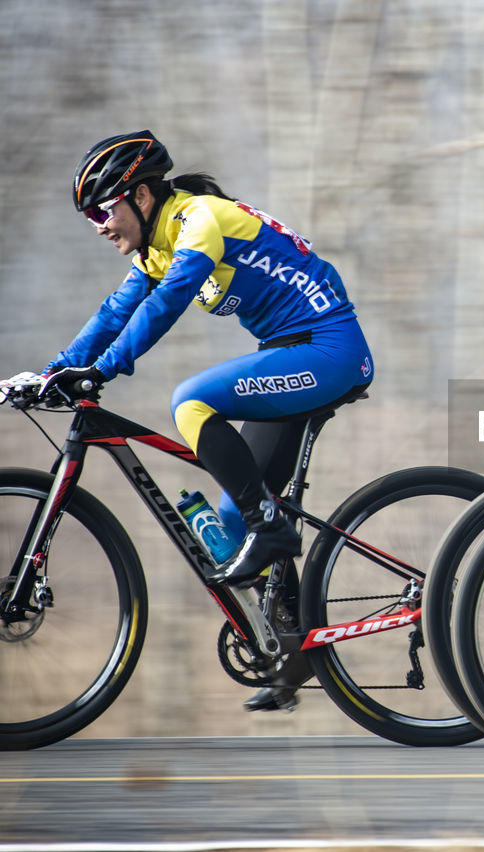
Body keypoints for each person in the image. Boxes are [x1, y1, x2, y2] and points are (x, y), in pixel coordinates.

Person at [45, 130, 375, 709]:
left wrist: (105, 370)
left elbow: (167, 301)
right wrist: (53, 372)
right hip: (287, 351)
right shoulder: (158, 243)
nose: (99, 224)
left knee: (191, 402)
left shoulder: (200, 219)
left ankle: (272, 527)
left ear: (142, 197)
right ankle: (295, 651)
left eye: (103, 209)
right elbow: (115, 312)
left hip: (327, 349)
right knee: (234, 513)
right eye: (88, 216)